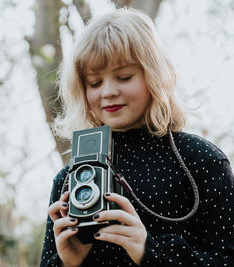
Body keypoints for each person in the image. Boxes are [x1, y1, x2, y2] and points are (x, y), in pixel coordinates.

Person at [40, 8, 234, 267]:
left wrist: (149, 252)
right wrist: (68, 262)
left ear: (154, 75)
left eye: (124, 77)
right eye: (94, 83)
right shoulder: (69, 180)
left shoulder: (199, 160)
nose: (108, 92)